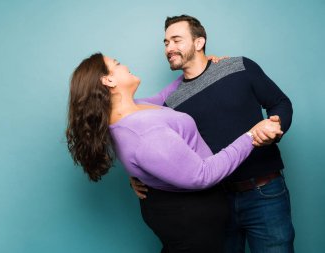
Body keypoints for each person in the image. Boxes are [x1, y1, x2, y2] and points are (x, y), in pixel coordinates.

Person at [66, 52, 283, 253]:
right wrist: (251, 137)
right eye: (117, 64)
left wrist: (200, 68)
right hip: (191, 225)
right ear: (109, 81)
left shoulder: (134, 109)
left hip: (185, 214)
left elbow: (162, 97)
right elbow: (202, 175)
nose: (125, 66)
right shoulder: (144, 133)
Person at [130, 15, 295, 253]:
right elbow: (157, 149)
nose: (169, 48)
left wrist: (276, 125)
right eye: (166, 42)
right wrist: (137, 175)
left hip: (264, 193)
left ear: (199, 43)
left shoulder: (239, 66)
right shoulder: (171, 103)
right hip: (213, 204)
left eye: (176, 40)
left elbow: (280, 102)